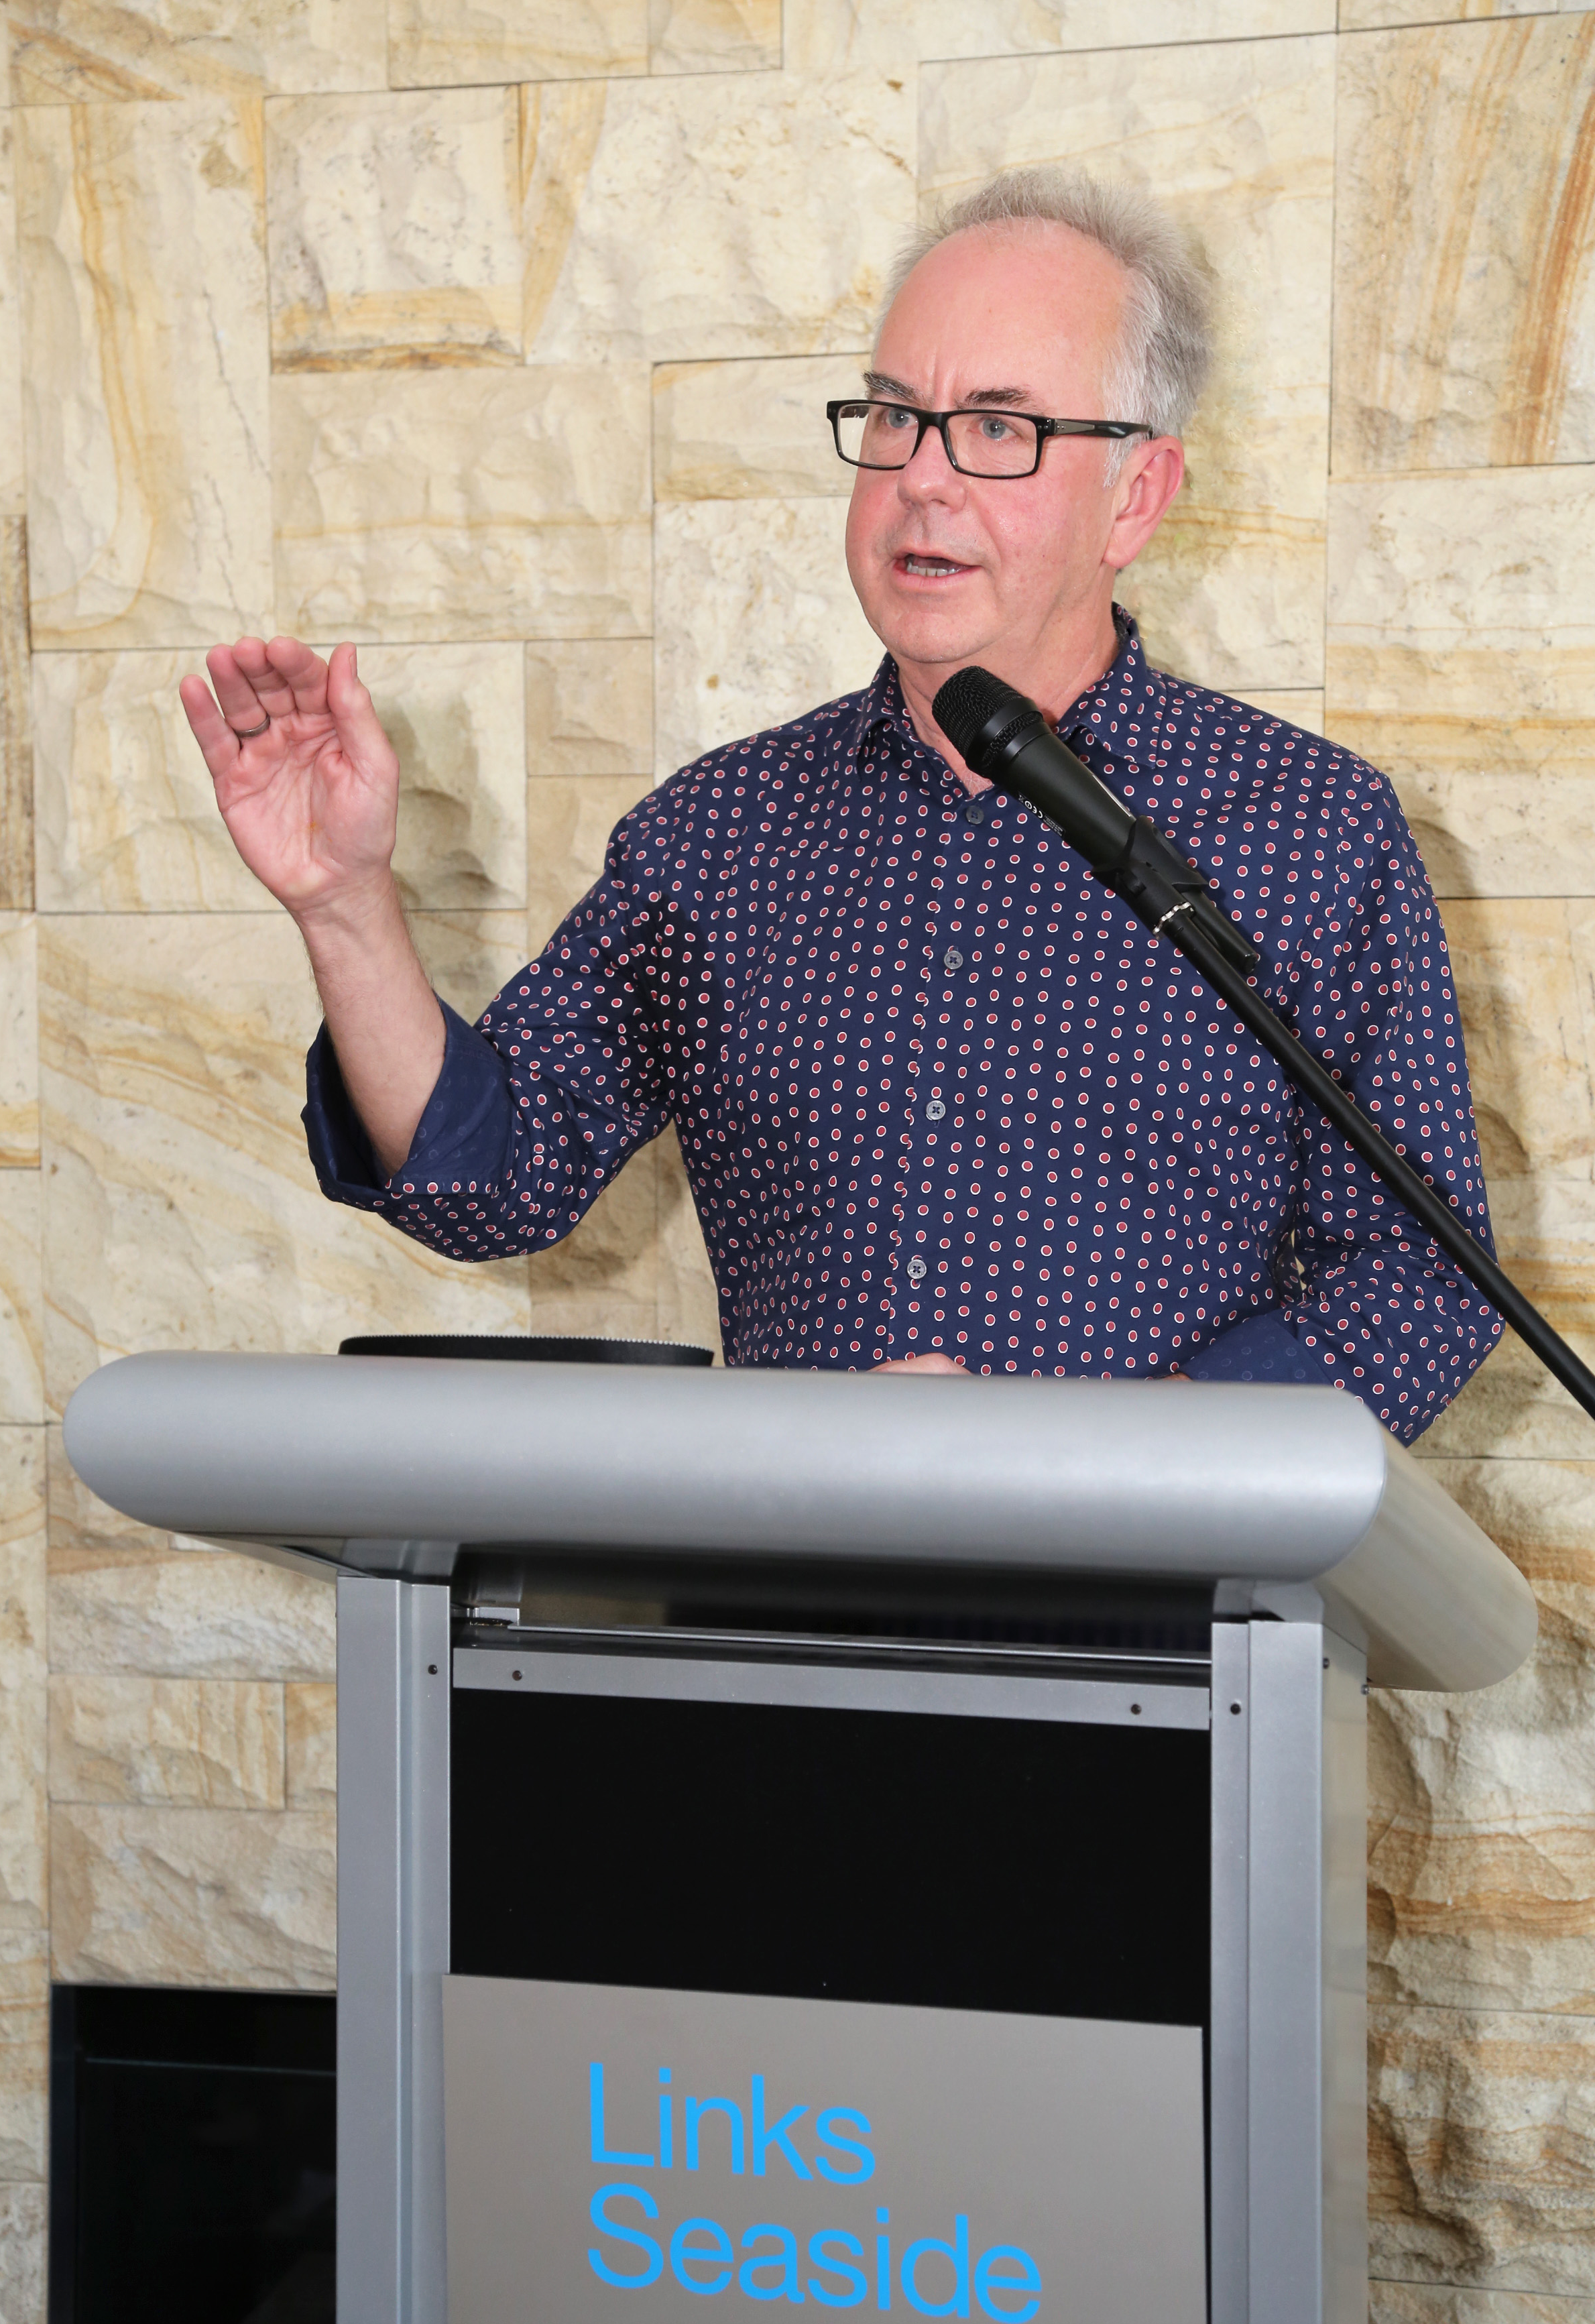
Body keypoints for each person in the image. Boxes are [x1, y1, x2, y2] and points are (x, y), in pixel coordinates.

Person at [179, 168, 1500, 1434]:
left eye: (998, 428)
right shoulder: (717, 836)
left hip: (1154, 1586)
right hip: (790, 1582)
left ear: (1134, 498)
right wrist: (344, 905)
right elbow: (491, 1179)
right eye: (892, 417)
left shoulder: (1308, 828)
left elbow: (1418, 1283)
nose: (921, 476)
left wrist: (1088, 1452)